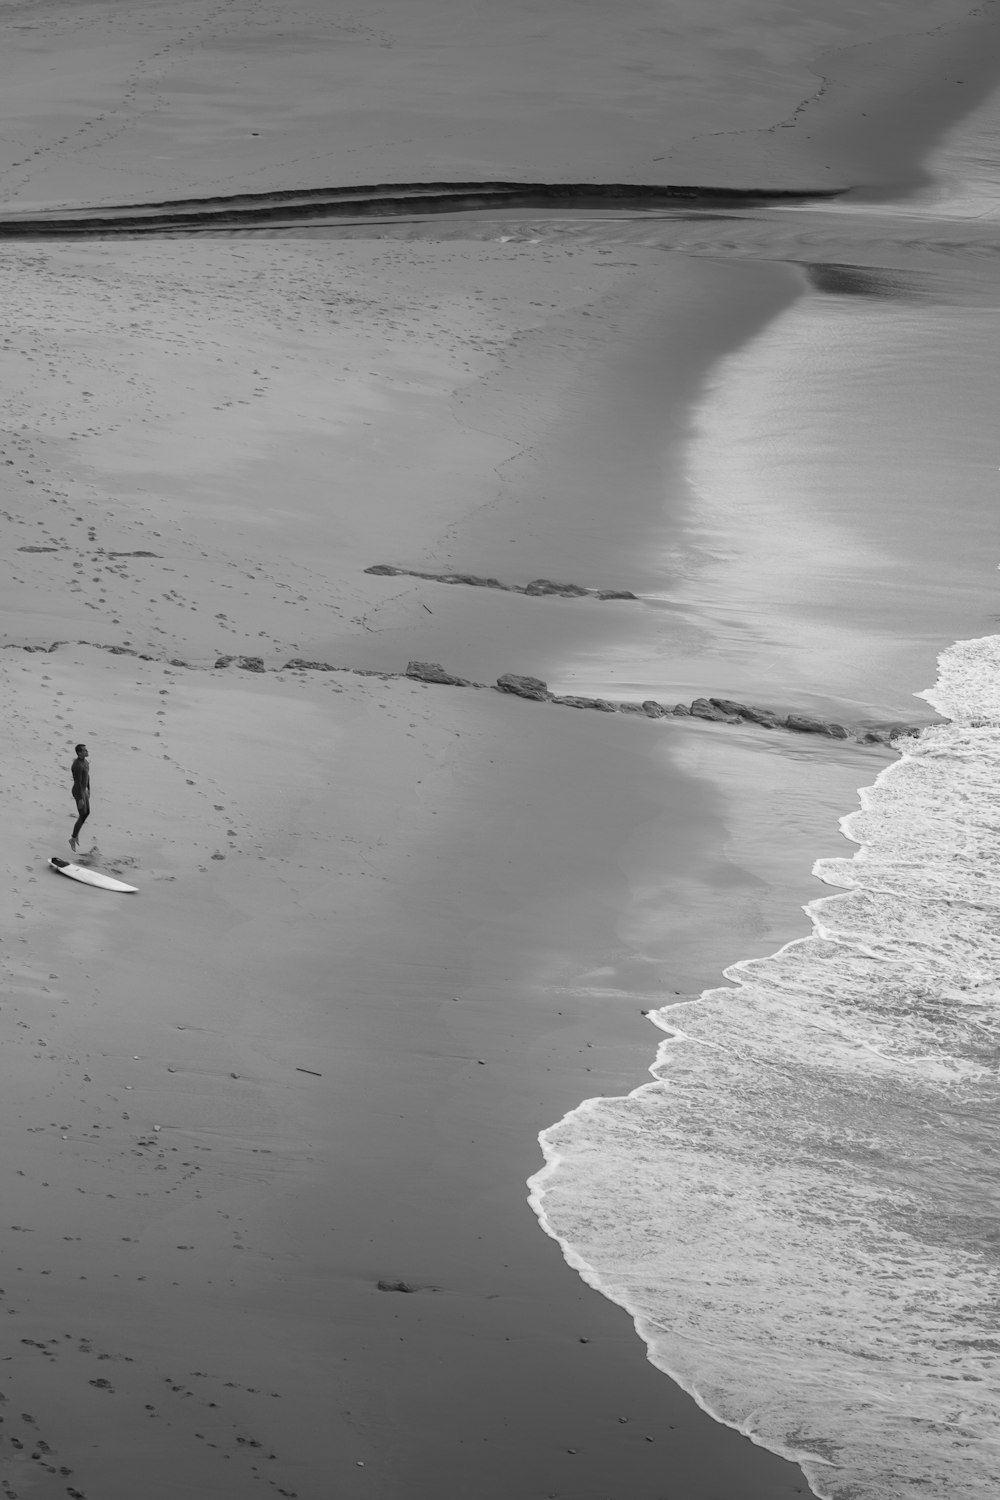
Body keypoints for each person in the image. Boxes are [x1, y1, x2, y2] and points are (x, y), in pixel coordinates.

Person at [70, 743, 90, 852]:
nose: (87, 751)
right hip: (78, 791)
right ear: (79, 753)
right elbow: (77, 782)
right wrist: (81, 799)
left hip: (84, 790)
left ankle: (76, 834)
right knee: (82, 815)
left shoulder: (85, 762)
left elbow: (87, 776)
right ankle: (73, 838)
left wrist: (89, 788)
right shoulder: (77, 765)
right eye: (85, 750)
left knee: (87, 813)